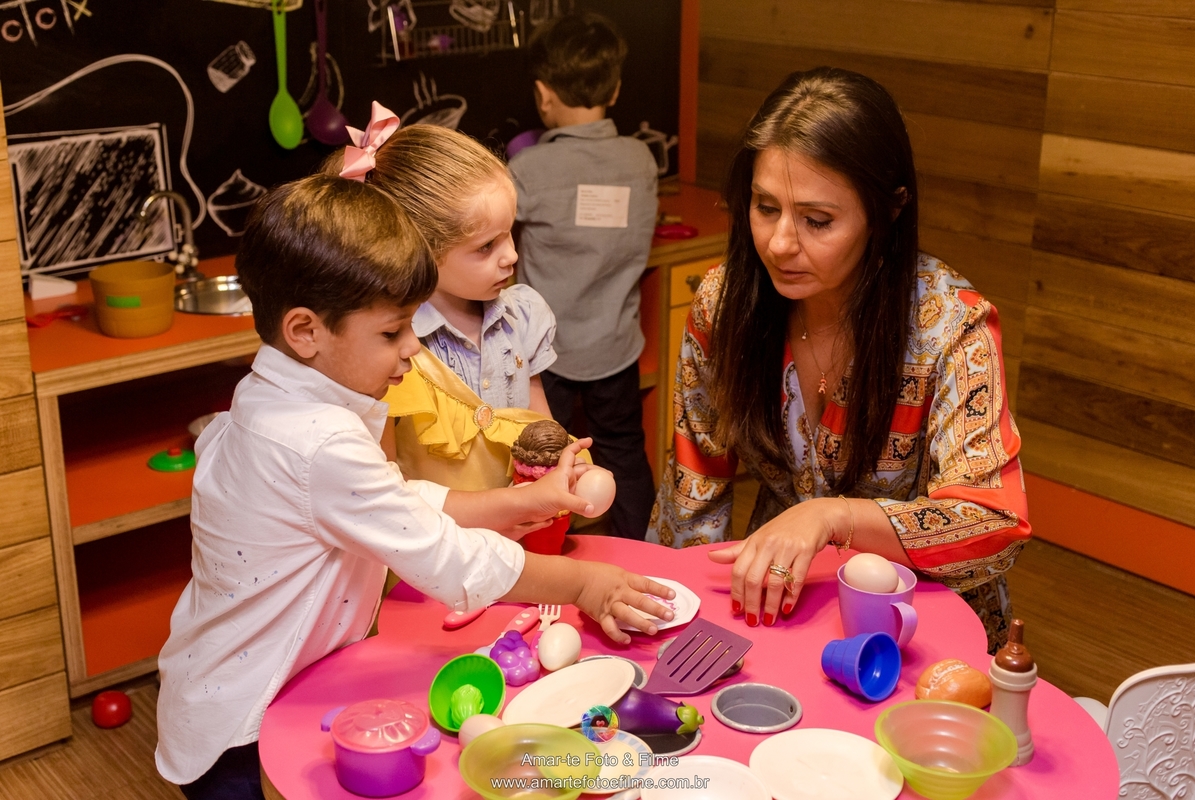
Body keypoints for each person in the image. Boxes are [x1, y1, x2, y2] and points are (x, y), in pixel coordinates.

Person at [155, 173, 674, 799]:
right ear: (305, 331)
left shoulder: (272, 397)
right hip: (241, 715)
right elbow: (444, 556)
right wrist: (584, 583)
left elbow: (394, 504)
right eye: (391, 332)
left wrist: (519, 500)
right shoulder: (318, 439)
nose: (411, 352)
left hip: (224, 684)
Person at [648, 68, 1030, 653]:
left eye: (817, 220)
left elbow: (996, 523)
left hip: (918, 625)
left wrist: (835, 517)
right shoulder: (725, 305)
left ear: (888, 211)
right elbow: (692, 496)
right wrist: (674, 623)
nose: (779, 242)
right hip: (779, 604)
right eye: (765, 207)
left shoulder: (950, 326)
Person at [336, 107, 574, 554]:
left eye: (510, 234)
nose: (510, 257)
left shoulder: (522, 315)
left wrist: (567, 470)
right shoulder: (394, 344)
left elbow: (539, 427)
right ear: (419, 251)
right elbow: (389, 489)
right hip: (431, 550)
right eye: (486, 246)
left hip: (520, 539)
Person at [508, 12, 659, 540]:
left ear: (543, 95)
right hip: (614, 346)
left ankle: (543, 550)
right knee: (623, 450)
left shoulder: (527, 171)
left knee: (538, 458)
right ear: (614, 89)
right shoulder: (642, 160)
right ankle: (640, 547)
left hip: (545, 353)